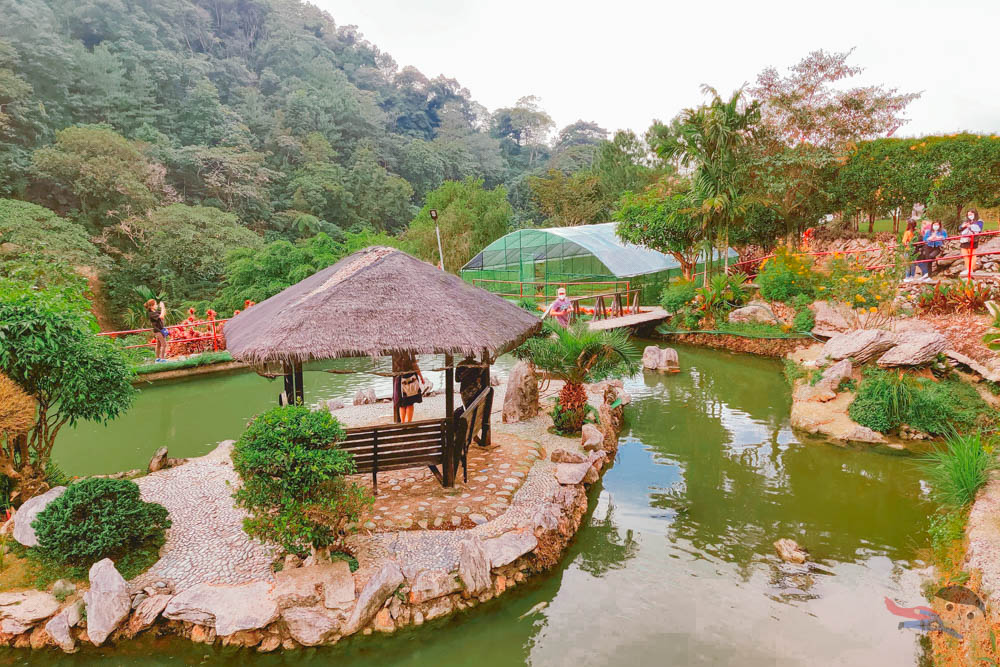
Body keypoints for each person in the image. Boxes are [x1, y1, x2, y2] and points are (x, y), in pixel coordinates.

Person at [392, 351, 425, 423]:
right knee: (410, 403)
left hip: (399, 378)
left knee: (401, 404)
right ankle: (409, 422)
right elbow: (414, 365)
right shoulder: (410, 350)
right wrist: (421, 377)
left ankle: (403, 423)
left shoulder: (395, 352)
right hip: (410, 378)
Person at [959, 208, 984, 277]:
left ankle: (970, 270)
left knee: (972, 255)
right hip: (964, 240)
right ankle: (968, 269)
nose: (970, 216)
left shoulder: (979, 221)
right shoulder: (966, 221)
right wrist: (962, 226)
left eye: (971, 214)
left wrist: (970, 226)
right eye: (968, 214)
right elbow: (959, 228)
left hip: (972, 240)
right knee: (965, 255)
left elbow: (979, 229)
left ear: (975, 214)